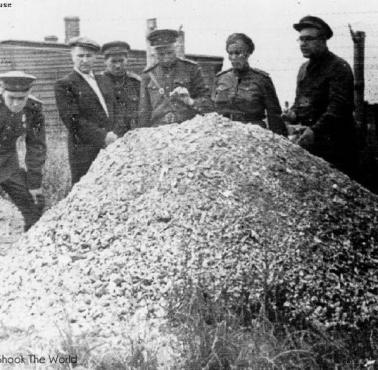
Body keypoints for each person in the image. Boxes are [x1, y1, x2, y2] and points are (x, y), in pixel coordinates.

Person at [284, 16, 357, 177]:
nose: (303, 44)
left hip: (337, 146)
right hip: (312, 144)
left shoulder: (339, 67)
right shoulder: (304, 69)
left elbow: (339, 109)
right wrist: (293, 113)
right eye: (301, 39)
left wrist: (315, 131)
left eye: (308, 39)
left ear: (323, 40)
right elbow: (301, 102)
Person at [54, 36, 117, 185]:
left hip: (111, 146)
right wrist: (103, 137)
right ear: (72, 57)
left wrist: (114, 135)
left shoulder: (105, 80)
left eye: (89, 56)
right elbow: (72, 120)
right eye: (80, 56)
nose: (84, 60)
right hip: (84, 150)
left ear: (95, 57)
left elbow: (113, 110)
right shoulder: (64, 84)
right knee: (85, 190)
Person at [212, 33, 287, 135]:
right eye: (230, 53)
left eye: (238, 53)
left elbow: (274, 116)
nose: (233, 57)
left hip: (253, 135)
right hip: (224, 134)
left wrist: (280, 141)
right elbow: (211, 109)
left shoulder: (262, 79)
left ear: (247, 54)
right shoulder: (220, 78)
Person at [0, 71, 46, 231]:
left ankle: (31, 247)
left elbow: (36, 146)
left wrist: (35, 183)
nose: (15, 104)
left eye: (21, 99)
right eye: (11, 98)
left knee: (34, 204)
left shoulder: (33, 109)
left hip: (7, 164)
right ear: (2, 91)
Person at [139, 29, 212, 127]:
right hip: (158, 131)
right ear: (154, 53)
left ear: (176, 49)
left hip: (187, 129)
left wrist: (190, 101)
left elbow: (208, 103)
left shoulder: (191, 69)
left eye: (170, 53)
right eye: (161, 54)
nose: (166, 58)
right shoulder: (148, 74)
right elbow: (144, 111)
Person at [101, 41, 141, 135]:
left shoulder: (136, 82)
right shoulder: (98, 83)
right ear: (105, 61)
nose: (118, 65)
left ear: (127, 59)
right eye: (113, 61)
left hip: (132, 134)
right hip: (107, 136)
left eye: (121, 61)